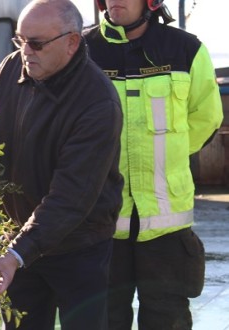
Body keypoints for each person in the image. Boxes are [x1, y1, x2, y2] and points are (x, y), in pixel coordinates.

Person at [0, 0, 124, 328]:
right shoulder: (12, 67)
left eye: (37, 43)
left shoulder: (98, 103)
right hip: (17, 240)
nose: (26, 51)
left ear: (72, 42)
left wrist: (17, 253)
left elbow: (70, 198)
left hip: (78, 247)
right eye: (20, 39)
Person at [83, 1, 223, 329]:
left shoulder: (186, 50)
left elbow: (207, 116)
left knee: (167, 318)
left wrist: (168, 154)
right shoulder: (81, 52)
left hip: (167, 225)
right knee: (104, 318)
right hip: (101, 220)